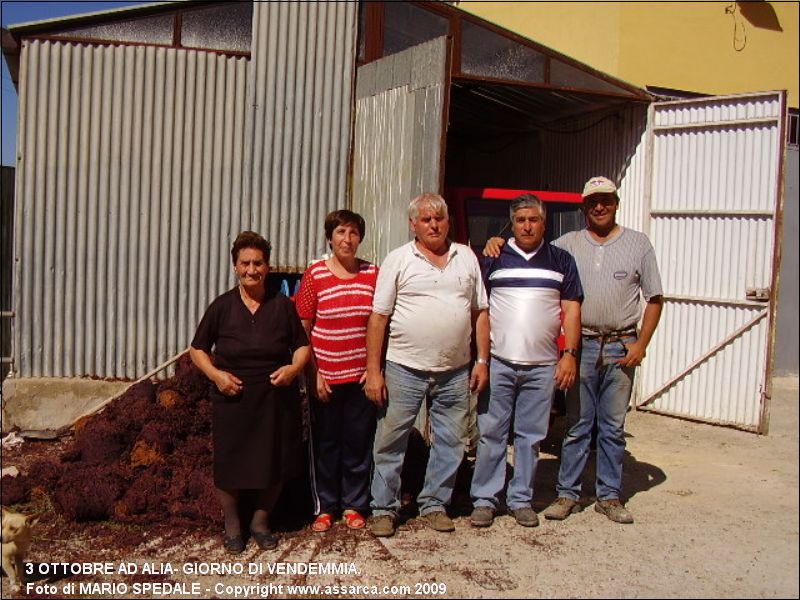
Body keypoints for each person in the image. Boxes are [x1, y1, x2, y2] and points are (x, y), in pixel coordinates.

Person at [485, 176, 663, 524]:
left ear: (616, 203)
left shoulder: (639, 244)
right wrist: (495, 240)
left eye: (606, 201)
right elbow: (527, 246)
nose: (600, 207)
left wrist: (642, 344)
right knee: (578, 424)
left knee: (611, 427)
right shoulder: (566, 245)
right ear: (584, 207)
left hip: (621, 345)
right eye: (593, 201)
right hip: (582, 345)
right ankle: (567, 494)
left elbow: (655, 299)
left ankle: (609, 496)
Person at [365, 193, 490, 538]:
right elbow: (378, 318)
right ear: (413, 225)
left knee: (451, 441)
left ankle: (435, 503)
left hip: (455, 369)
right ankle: (384, 508)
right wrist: (374, 371)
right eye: (426, 219)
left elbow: (480, 312)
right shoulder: (398, 260)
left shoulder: (466, 257)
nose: (433, 224)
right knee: (391, 441)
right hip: (404, 367)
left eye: (439, 218)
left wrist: (482, 360)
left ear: (448, 220)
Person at [190, 231, 311, 553]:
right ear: (235, 267)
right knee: (230, 464)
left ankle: (260, 522)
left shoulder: (282, 306)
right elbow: (197, 349)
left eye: (258, 263)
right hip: (233, 396)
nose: (252, 270)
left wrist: (293, 369)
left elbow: (301, 346)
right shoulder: (221, 307)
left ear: (268, 267)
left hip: (275, 396)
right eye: (245, 263)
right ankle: (233, 526)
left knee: (275, 463)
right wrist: (217, 376)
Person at [470, 194, 583, 529]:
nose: (527, 226)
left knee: (530, 436)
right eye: (520, 220)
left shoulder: (561, 260)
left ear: (543, 222)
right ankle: (485, 500)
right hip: (500, 361)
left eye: (533, 219)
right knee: (491, 433)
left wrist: (570, 355)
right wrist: (482, 359)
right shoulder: (494, 256)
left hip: (543, 365)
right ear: (512, 223)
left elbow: (572, 310)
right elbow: (481, 311)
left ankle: (521, 499)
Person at [295, 210, 379, 533]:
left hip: (360, 378)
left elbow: (380, 322)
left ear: (360, 238)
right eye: (341, 232)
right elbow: (304, 326)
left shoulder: (374, 273)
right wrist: (312, 373)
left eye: (354, 232)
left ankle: (355, 505)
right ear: (330, 238)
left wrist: (375, 368)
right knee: (326, 445)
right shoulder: (315, 274)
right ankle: (325, 507)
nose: (347, 239)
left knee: (358, 444)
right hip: (325, 378)